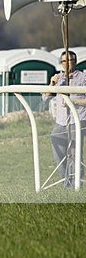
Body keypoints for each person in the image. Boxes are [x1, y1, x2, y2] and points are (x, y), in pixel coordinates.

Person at [43, 50, 86, 187]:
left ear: (75, 61)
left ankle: (76, 184)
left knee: (75, 153)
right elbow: (45, 98)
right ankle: (66, 182)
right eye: (63, 61)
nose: (66, 63)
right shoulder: (59, 78)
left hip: (78, 120)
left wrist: (74, 101)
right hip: (61, 122)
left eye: (69, 60)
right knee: (58, 153)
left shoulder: (83, 78)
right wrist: (52, 84)